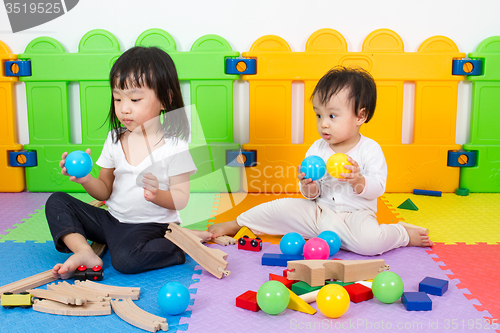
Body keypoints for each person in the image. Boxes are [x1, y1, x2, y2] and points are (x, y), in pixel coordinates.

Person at [208, 66, 433, 256]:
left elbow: (378, 187)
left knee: (369, 244)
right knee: (281, 207)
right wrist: (308, 187)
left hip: (356, 216)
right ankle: (237, 223)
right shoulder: (317, 148)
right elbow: (310, 196)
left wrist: (358, 181)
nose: (324, 124)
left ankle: (401, 233)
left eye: (332, 116)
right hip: (319, 212)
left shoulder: (370, 149)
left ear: (360, 116)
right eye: (319, 115)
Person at [45, 46, 212, 279]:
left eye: (135, 99)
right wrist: (85, 179)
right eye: (117, 98)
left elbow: (181, 199)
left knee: (125, 260)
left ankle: (182, 241)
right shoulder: (114, 138)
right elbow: (104, 190)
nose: (124, 108)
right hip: (112, 220)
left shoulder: (175, 146)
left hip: (151, 227)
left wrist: (157, 194)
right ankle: (85, 252)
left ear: (165, 99)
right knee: (57, 202)